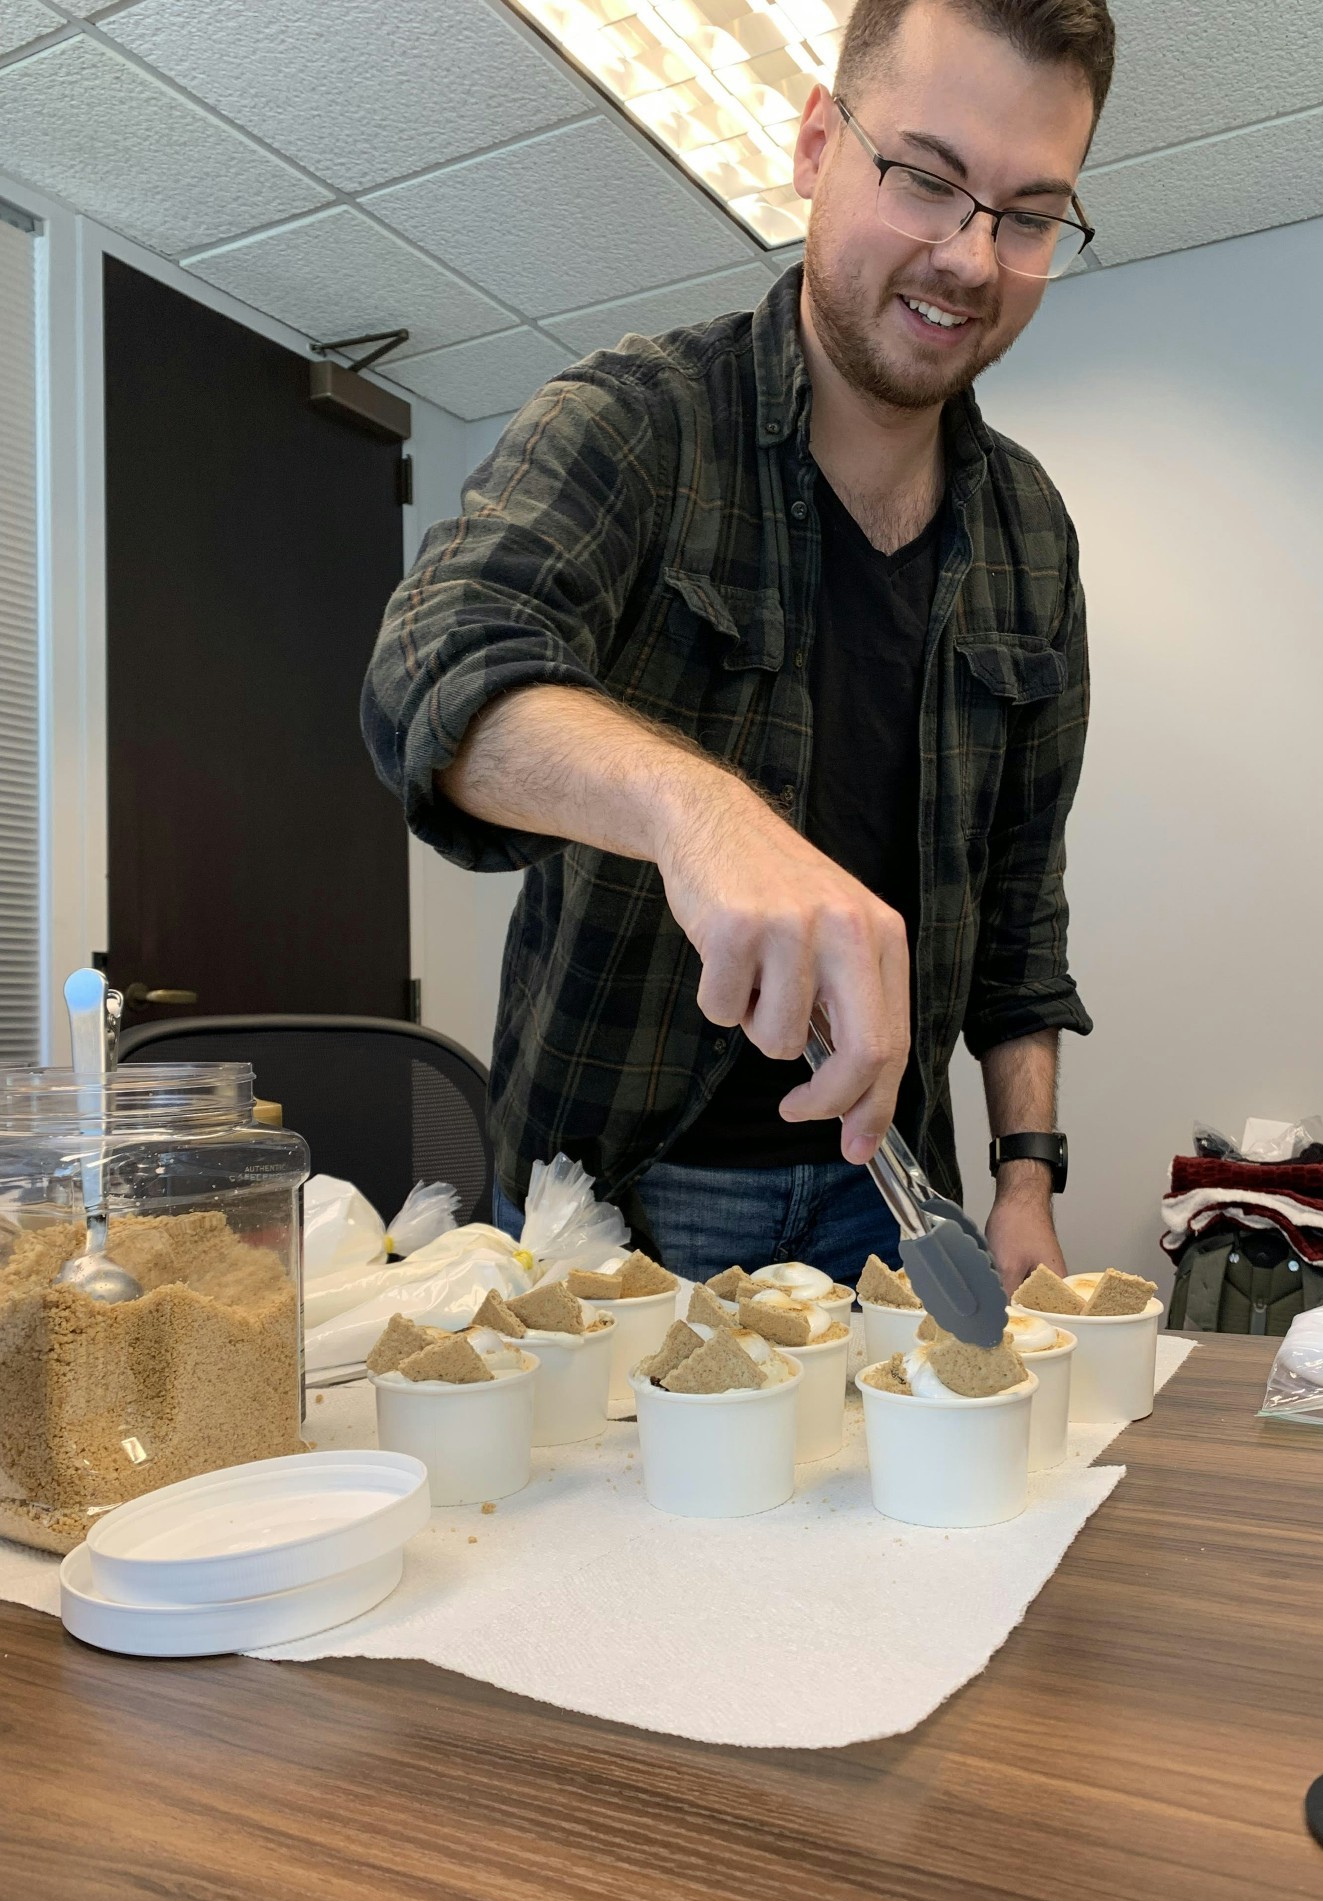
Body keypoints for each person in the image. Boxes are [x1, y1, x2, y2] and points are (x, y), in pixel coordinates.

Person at [362, 0, 1114, 1289]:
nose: (974, 260)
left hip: (895, 1194)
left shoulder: (1031, 534)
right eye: (929, 181)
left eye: (1031, 213)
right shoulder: (635, 423)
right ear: (820, 145)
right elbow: (433, 672)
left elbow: (1019, 911)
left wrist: (1025, 1180)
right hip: (613, 1209)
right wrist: (695, 812)